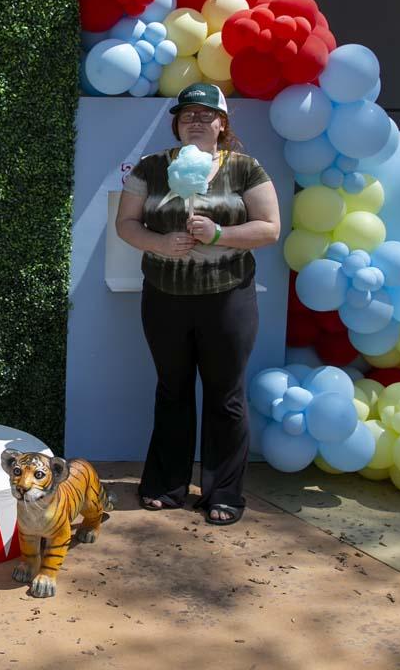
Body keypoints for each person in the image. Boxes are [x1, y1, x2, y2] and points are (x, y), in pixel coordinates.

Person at [115, 83, 280, 526]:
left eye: (206, 115)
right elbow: (126, 225)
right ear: (176, 123)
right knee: (173, 391)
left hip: (228, 299)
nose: (195, 121)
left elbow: (269, 228)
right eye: (187, 114)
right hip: (165, 298)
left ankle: (223, 492)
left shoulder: (246, 169)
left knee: (226, 397)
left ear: (222, 123)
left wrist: (220, 234)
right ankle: (166, 485)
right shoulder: (152, 168)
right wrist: (160, 241)